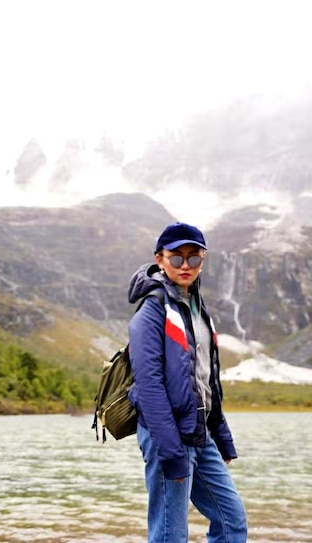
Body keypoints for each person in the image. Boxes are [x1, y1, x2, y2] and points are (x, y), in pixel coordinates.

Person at [127, 222, 247, 543]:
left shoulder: (198, 310)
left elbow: (207, 379)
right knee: (170, 535)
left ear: (203, 261)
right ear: (160, 259)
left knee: (232, 522)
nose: (185, 265)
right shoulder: (151, 311)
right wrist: (171, 451)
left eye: (193, 258)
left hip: (200, 434)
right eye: (176, 257)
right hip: (167, 436)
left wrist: (222, 437)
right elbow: (149, 386)